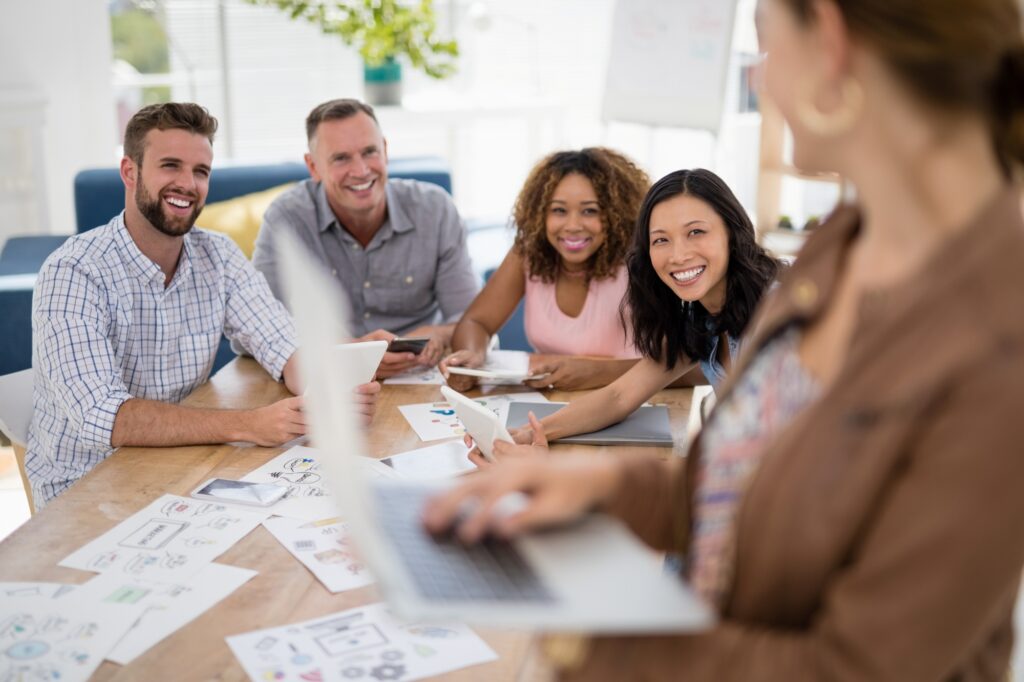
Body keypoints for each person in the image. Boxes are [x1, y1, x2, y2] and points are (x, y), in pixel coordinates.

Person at [425, 0, 1024, 678]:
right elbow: (747, 488)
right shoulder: (842, 245)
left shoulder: (998, 333)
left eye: (766, 44)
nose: (761, 78)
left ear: (828, 39)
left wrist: (582, 641)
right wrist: (599, 487)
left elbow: (855, 666)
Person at [26, 103, 378, 509]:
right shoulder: (73, 272)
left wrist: (328, 394)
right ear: (130, 171)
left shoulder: (218, 255)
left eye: (200, 171)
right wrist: (251, 425)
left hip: (181, 469)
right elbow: (103, 416)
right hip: (86, 492)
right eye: (170, 166)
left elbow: (282, 342)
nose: (187, 184)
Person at [465, 167, 781, 458]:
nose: (678, 255)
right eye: (661, 240)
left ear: (732, 231)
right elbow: (619, 396)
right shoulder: (699, 319)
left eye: (696, 232)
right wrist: (526, 435)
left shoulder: (778, 312)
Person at [252, 98, 479, 377]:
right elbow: (257, 328)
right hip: (325, 380)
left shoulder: (436, 210)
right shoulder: (286, 219)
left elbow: (473, 322)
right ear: (313, 167)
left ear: (385, 150)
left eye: (369, 152)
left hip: (419, 377)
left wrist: (437, 335)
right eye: (341, 158)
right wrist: (354, 352)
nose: (360, 171)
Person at [439, 148, 651, 391]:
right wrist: (471, 357)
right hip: (548, 403)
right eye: (559, 210)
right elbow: (476, 321)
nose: (572, 226)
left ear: (617, 214)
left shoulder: (640, 262)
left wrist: (598, 372)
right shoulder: (529, 253)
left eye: (590, 211)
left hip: (629, 403)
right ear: (540, 213)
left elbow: (688, 367)